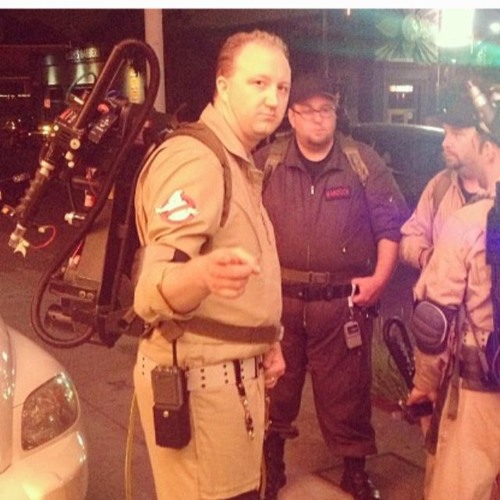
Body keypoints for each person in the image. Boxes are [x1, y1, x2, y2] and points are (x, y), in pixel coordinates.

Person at [132, 29, 290, 500]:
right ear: (222, 86)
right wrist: (200, 274)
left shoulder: (235, 162)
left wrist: (267, 339)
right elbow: (151, 289)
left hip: (231, 391)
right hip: (202, 395)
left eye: (282, 87)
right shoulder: (197, 160)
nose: (273, 100)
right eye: (258, 83)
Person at [254, 72, 409, 500]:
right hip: (280, 304)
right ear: (291, 116)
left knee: (348, 394)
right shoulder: (267, 162)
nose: (319, 118)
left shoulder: (362, 162)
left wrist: (380, 280)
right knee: (274, 389)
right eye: (308, 111)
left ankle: (354, 471)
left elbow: (391, 227)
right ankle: (270, 463)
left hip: (341, 306)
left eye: (326, 109)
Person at [406, 80, 500, 500]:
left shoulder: (468, 223)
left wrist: (424, 386)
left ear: (489, 148)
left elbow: (433, 327)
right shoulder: (444, 192)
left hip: (480, 396)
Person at [400, 86, 481, 271]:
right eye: (446, 133)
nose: (445, 143)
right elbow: (411, 237)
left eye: (457, 134)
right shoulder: (440, 184)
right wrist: (426, 257)